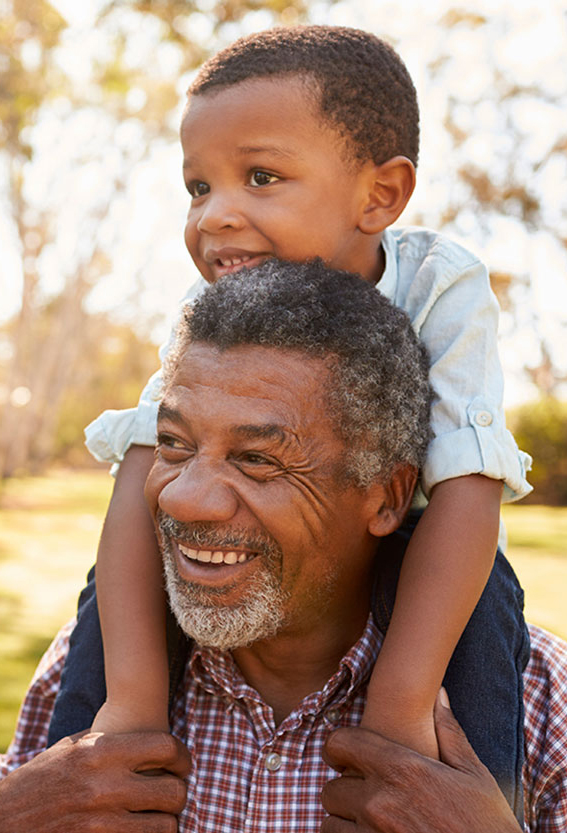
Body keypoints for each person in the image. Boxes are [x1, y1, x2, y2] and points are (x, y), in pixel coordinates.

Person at [47, 25, 532, 821]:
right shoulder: (211, 313)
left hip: (426, 549)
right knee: (114, 585)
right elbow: (141, 468)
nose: (215, 217)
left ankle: (457, 796)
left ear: (378, 195)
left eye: (260, 177)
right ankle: (78, 790)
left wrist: (400, 707)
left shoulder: (440, 285)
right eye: (198, 188)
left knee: (487, 614)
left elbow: (468, 484)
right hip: (276, 566)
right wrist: (130, 701)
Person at [1, 263, 565, 833]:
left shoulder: (540, 706)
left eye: (258, 460)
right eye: (172, 444)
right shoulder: (87, 670)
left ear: (387, 497)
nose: (187, 500)